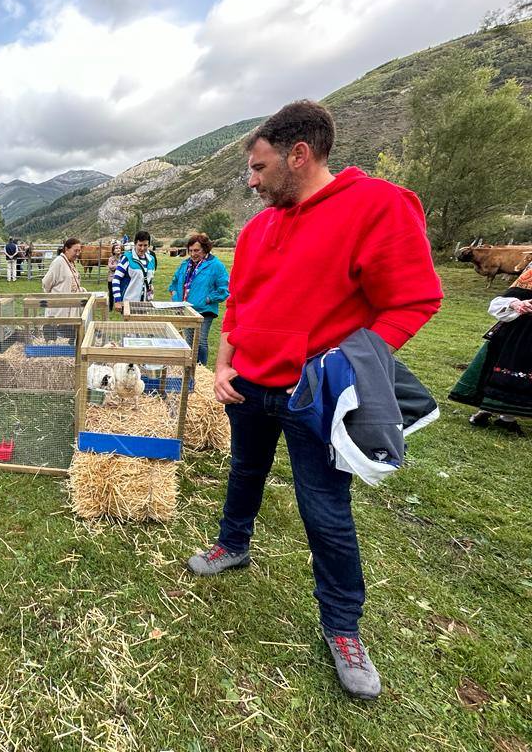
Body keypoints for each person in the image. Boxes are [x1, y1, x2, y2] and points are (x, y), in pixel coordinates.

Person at [184, 101, 443, 700]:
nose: (251, 180)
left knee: (324, 508)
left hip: (314, 395)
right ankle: (233, 543)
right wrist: (223, 364)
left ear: (299, 154)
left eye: (258, 166)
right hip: (250, 385)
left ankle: (343, 625)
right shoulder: (256, 229)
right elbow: (242, 305)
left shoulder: (376, 207)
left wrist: (346, 366)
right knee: (243, 470)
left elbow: (413, 300)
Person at [450, 258, 532, 434]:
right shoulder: (529, 277)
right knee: (499, 370)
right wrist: (515, 304)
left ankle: (507, 418)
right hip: (514, 334)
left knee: (522, 377)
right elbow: (498, 303)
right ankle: (485, 410)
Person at [167, 232, 230, 365]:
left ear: (205, 249)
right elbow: (174, 283)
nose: (193, 254)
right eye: (190, 251)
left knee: (200, 341)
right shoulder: (185, 264)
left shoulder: (216, 265)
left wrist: (207, 299)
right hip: (185, 309)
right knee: (188, 340)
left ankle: (201, 369)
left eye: (197, 250)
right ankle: (189, 367)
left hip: (204, 310)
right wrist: (175, 298)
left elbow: (224, 289)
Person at [42, 238, 86, 343]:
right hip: (59, 308)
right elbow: (46, 283)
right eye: (75, 250)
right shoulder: (59, 262)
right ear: (66, 249)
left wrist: (81, 290)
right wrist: (55, 297)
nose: (78, 254)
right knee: (56, 340)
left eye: (79, 251)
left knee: (68, 339)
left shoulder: (71, 263)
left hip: (71, 308)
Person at [111, 230, 157, 305]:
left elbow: (150, 279)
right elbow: (116, 279)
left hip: (145, 303)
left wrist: (150, 288)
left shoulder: (151, 259)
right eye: (140, 245)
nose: (142, 248)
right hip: (129, 302)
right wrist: (118, 300)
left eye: (145, 245)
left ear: (148, 245)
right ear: (135, 244)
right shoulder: (127, 258)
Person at [106, 242, 122, 312]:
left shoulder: (123, 258)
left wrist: (115, 267)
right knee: (111, 293)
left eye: (119, 248)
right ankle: (110, 307)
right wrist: (119, 266)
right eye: (116, 248)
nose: (118, 249)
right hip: (111, 278)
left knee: (120, 292)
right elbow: (110, 267)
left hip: (120, 279)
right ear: (113, 250)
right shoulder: (111, 259)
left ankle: (120, 306)